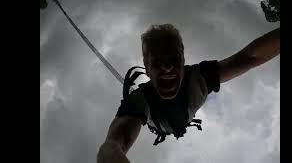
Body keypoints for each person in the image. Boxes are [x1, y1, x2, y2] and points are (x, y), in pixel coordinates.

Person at [97, 24, 280, 163]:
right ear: (146, 67)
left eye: (173, 59)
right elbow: (112, 144)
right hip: (160, 121)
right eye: (157, 61)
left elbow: (249, 57)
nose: (167, 67)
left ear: (183, 60)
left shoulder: (198, 78)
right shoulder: (138, 100)